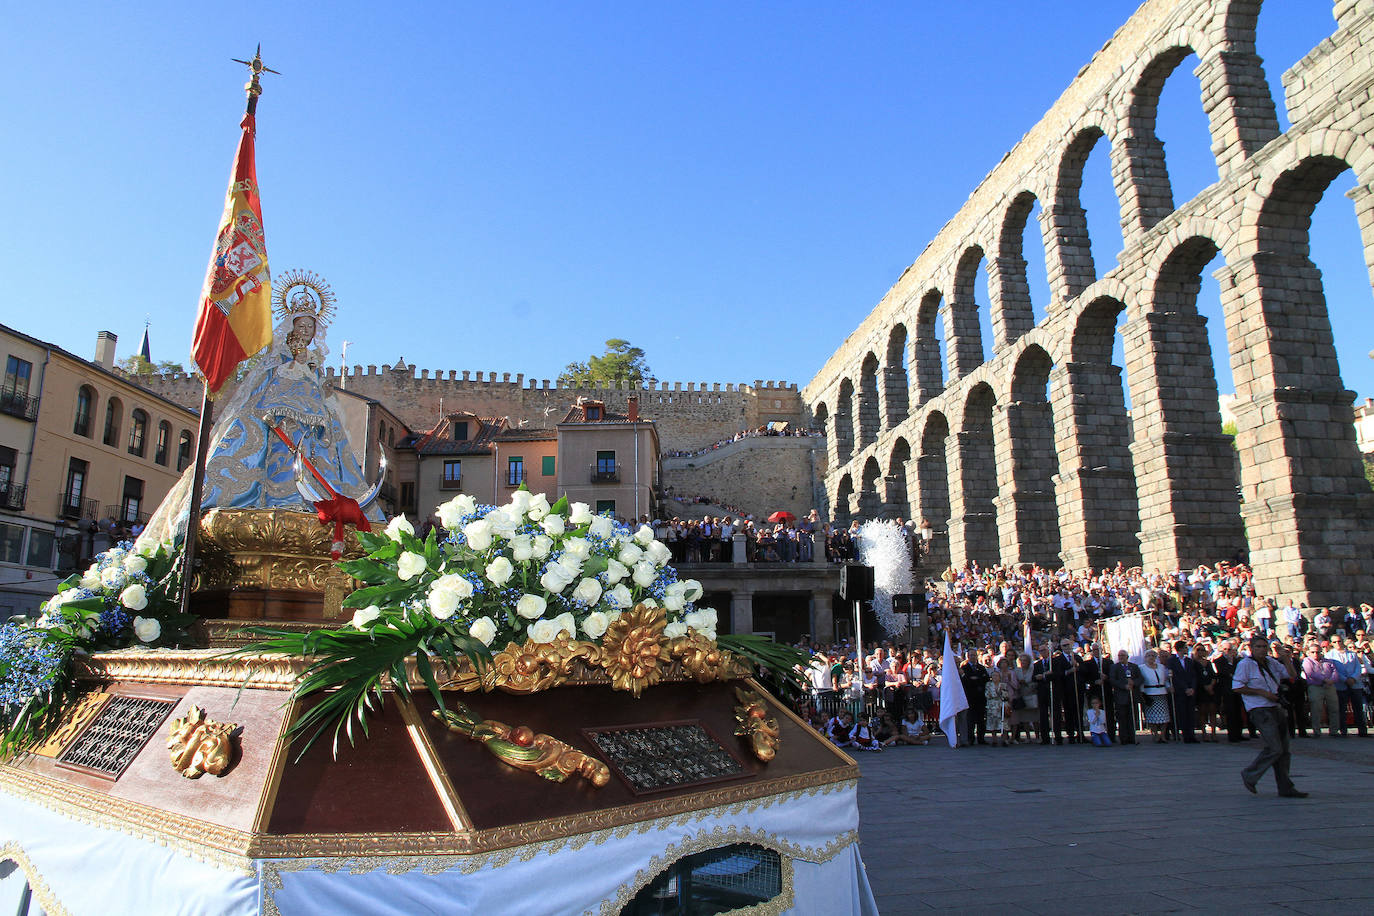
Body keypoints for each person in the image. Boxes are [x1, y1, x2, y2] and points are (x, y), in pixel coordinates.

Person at [138, 282, 381, 547]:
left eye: (310, 327)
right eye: (301, 326)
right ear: (291, 326)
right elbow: (268, 387)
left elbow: (319, 391)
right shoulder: (280, 359)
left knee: (322, 462)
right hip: (283, 425)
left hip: (316, 430)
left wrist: (321, 388)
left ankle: (322, 500)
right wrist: (292, 377)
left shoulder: (314, 363)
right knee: (281, 462)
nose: (305, 331)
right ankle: (283, 499)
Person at [1234, 634, 1306, 797]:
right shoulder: (1245, 664)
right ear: (1251, 648)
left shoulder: (1271, 662)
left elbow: (1291, 674)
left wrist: (1285, 657)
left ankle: (1285, 786)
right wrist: (1261, 692)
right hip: (1259, 708)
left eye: (1264, 647)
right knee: (1275, 747)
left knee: (1284, 750)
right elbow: (1237, 687)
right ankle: (1250, 774)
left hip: (1275, 706)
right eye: (1258, 647)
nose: (1261, 650)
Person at [1302, 641, 1340, 738]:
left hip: (1329, 687)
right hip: (1315, 687)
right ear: (1309, 652)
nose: (1316, 654)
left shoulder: (1328, 661)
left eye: (1318, 652)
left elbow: (1335, 672)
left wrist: (1332, 680)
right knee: (1316, 709)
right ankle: (1316, 731)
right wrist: (1325, 679)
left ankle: (1334, 730)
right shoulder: (1307, 661)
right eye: (1313, 652)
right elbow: (1310, 673)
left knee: (1334, 708)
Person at [1139, 649, 1172, 742]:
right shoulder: (1142, 668)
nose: (1151, 657)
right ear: (1145, 657)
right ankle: (1155, 734)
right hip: (1149, 693)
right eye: (1149, 656)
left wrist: (1169, 687)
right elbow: (1141, 681)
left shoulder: (1161, 667)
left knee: (1164, 716)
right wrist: (1142, 693)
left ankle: (1163, 735)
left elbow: (1165, 679)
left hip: (1161, 692)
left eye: (1153, 656)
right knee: (1152, 716)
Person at [1108, 650, 1141, 745]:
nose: (1121, 657)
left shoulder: (1134, 667)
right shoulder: (1114, 667)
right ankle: (1124, 738)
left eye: (1123, 655)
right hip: (1120, 696)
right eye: (1119, 655)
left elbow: (1140, 678)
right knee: (1122, 717)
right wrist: (1123, 686)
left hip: (1132, 696)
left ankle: (1132, 737)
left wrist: (1134, 683)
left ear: (1127, 656)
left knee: (1132, 717)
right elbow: (1113, 680)